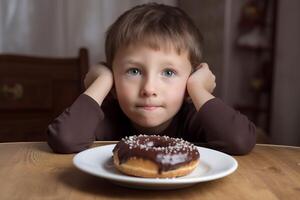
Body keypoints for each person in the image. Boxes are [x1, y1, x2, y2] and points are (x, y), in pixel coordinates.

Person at [47, 3, 256, 155]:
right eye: (134, 71)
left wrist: (198, 89)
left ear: (190, 80)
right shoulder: (108, 116)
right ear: (113, 80)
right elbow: (65, 139)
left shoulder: (193, 119)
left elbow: (239, 140)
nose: (149, 89)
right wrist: (101, 82)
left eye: (168, 72)